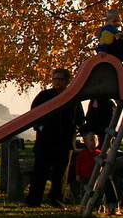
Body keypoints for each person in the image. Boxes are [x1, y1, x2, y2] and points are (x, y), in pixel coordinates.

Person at [25, 68, 84, 208]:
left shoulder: (73, 96)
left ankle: (57, 200)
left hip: (64, 141)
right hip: (46, 140)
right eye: (54, 79)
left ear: (67, 81)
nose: (56, 82)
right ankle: (33, 200)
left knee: (61, 173)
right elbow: (34, 114)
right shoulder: (44, 95)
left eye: (60, 79)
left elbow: (80, 118)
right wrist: (40, 127)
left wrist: (74, 130)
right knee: (40, 171)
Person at [74, 132, 121, 215]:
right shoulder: (82, 154)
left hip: (98, 176)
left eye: (96, 139)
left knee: (100, 192)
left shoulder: (100, 153)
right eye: (92, 140)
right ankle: (84, 206)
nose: (95, 141)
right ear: (85, 141)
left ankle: (102, 206)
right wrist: (78, 174)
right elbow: (78, 164)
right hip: (86, 176)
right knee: (85, 192)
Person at [96, 9, 123, 79]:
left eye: (118, 21)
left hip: (121, 49)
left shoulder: (114, 30)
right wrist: (102, 50)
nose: (117, 23)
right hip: (117, 51)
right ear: (107, 22)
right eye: (114, 21)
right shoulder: (108, 30)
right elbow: (105, 40)